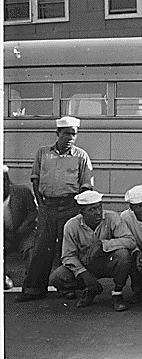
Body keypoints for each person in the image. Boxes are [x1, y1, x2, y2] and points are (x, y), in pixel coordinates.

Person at [17, 116, 94, 302]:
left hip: (70, 206)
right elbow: (35, 179)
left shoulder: (81, 156)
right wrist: (40, 203)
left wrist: (78, 208)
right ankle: (34, 289)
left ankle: (66, 288)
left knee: (66, 249)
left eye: (74, 134)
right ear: (57, 133)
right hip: (47, 207)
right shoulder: (43, 153)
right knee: (41, 247)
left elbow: (86, 185)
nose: (70, 138)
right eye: (66, 133)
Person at [49, 191, 136, 312]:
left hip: (108, 262)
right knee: (57, 277)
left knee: (123, 255)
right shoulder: (71, 225)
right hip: (86, 264)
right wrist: (83, 273)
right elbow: (68, 256)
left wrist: (103, 244)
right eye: (92, 209)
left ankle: (117, 294)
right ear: (82, 212)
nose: (98, 212)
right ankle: (90, 290)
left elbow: (130, 241)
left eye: (100, 207)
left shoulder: (112, 217)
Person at [3, 165, 38, 290]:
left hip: (24, 234)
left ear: (7, 181)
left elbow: (33, 213)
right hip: (4, 237)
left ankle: (31, 285)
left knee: (32, 249)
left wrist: (20, 230)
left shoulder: (22, 192)